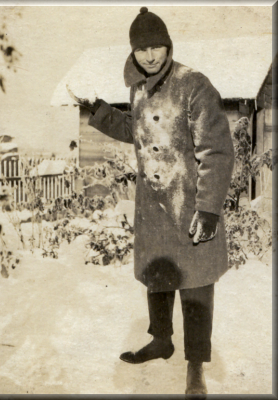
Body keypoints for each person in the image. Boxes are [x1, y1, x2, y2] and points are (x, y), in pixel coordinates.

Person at [74, 7, 234, 395]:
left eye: (156, 46)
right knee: (157, 274)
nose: (149, 55)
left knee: (196, 288)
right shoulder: (138, 89)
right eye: (141, 48)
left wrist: (209, 207)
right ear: (133, 51)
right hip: (153, 203)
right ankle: (161, 340)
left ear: (168, 44)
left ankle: (195, 368)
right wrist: (99, 112)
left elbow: (216, 150)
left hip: (189, 202)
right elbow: (137, 130)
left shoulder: (193, 84)